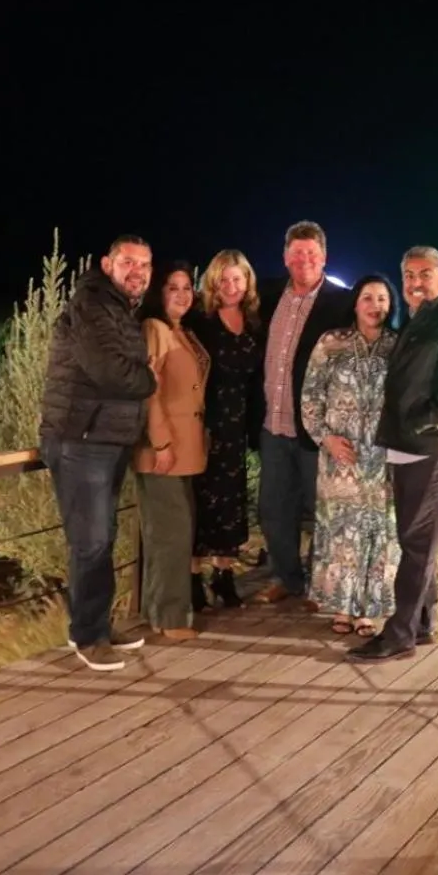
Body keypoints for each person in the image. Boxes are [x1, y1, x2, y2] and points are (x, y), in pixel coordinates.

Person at [349, 246, 438, 662]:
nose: (415, 282)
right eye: (408, 275)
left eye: (425, 274)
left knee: (417, 545)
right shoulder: (418, 321)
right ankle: (422, 623)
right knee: (415, 541)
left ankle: (399, 635)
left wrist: (423, 423)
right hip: (409, 446)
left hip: (434, 448)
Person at [38, 235, 158, 672]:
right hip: (81, 440)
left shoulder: (118, 308)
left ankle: (97, 627)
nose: (137, 271)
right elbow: (111, 373)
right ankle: (87, 636)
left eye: (144, 264)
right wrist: (150, 379)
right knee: (90, 542)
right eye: (128, 262)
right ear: (107, 265)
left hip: (105, 439)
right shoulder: (92, 304)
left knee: (102, 538)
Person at [252, 220, 354, 604]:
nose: (304, 260)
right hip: (273, 426)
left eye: (311, 253)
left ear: (324, 257)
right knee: (273, 509)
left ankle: (323, 586)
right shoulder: (267, 295)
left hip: (317, 430)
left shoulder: (342, 302)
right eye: (296, 253)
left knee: (324, 510)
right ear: (285, 257)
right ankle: (287, 578)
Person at [302, 274, 401, 636]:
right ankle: (341, 607)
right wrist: (325, 438)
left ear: (391, 305)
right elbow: (310, 396)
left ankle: (368, 611)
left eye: (382, 298)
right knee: (341, 532)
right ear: (355, 303)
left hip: (383, 459)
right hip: (339, 458)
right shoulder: (331, 343)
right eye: (368, 298)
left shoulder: (399, 346)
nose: (376, 305)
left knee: (378, 533)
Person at [131, 261, 211, 641]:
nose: (182, 294)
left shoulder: (180, 331)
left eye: (186, 287)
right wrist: (160, 442)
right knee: (171, 536)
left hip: (184, 449)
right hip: (163, 451)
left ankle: (159, 612)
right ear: (157, 294)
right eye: (172, 287)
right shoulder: (154, 329)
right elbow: (149, 391)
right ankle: (170, 618)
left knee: (174, 531)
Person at [188, 250, 264, 611]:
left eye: (238, 278)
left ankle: (223, 576)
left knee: (231, 502)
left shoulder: (254, 323)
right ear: (213, 283)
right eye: (224, 279)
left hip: (237, 427)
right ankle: (192, 580)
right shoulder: (199, 321)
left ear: (247, 281)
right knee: (199, 503)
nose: (231, 286)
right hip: (203, 425)